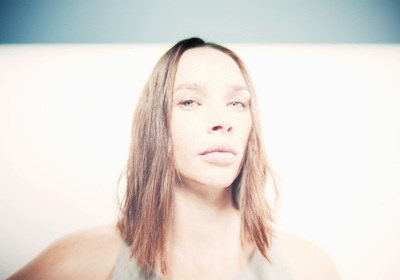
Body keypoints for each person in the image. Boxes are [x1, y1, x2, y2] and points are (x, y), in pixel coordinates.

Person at [8, 38, 340, 280]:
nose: (222, 120)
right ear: (156, 126)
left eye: (237, 103)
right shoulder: (79, 264)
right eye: (189, 102)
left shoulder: (309, 268)